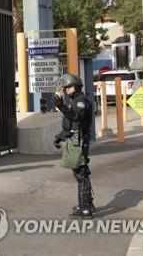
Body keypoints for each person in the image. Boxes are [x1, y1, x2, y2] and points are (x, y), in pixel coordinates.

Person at [53, 73, 95, 219]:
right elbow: (71, 125)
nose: (66, 90)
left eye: (69, 87)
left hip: (80, 140)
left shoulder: (81, 102)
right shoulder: (74, 101)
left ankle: (85, 209)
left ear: (76, 87)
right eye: (65, 88)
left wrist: (60, 105)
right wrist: (59, 137)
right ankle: (86, 203)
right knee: (79, 173)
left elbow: (76, 116)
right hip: (74, 139)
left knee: (81, 174)